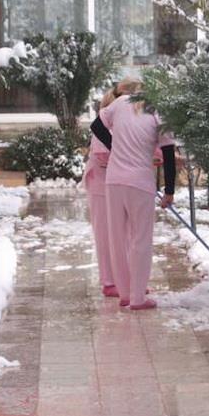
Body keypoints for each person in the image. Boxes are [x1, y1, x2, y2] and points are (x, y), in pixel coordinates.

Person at [91, 79, 176, 310]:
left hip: (114, 180)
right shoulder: (157, 110)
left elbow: (96, 126)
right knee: (140, 239)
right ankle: (138, 298)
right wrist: (169, 191)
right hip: (140, 182)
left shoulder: (118, 104)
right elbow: (168, 153)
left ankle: (125, 294)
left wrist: (114, 146)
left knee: (117, 238)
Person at [82, 81, 137, 298]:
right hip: (101, 184)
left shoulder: (126, 124)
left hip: (122, 183)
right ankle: (109, 281)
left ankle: (127, 280)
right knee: (105, 235)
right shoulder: (105, 125)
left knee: (127, 233)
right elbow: (102, 155)